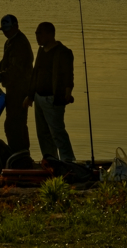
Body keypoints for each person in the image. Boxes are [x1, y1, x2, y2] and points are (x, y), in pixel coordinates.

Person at [24, 21, 76, 162]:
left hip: (53, 100)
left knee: (57, 133)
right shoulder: (41, 51)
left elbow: (68, 76)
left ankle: (68, 161)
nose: (37, 36)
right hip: (39, 98)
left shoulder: (64, 52)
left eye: (39, 33)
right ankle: (51, 161)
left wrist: (68, 92)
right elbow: (35, 73)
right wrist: (30, 96)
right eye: (36, 33)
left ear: (50, 34)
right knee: (43, 134)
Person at [0, 14, 34, 158]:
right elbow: (4, 62)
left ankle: (21, 154)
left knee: (15, 123)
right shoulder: (10, 42)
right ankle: (17, 154)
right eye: (4, 30)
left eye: (8, 29)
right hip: (12, 89)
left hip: (21, 90)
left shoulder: (20, 44)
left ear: (16, 27)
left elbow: (16, 69)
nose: (6, 33)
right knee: (12, 123)